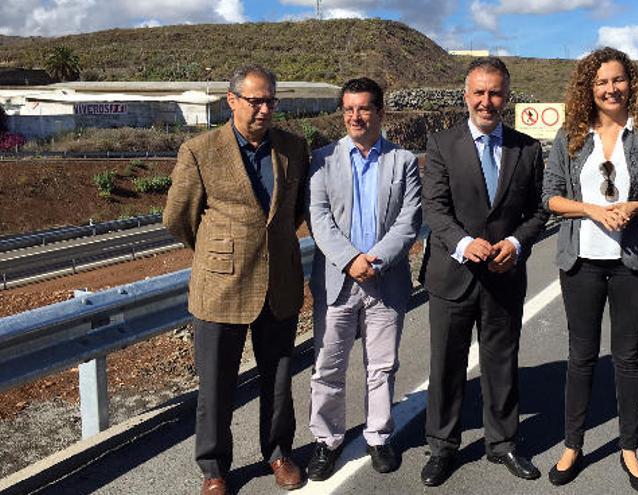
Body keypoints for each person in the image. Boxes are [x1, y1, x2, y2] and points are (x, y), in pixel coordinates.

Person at [163, 65, 309, 495]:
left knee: (279, 379)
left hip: (279, 282)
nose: (264, 109)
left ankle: (279, 453)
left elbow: (295, 211)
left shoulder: (293, 147)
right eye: (255, 101)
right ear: (231, 100)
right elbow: (177, 218)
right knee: (216, 384)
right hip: (220, 286)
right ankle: (214, 469)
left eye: (271, 101)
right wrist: (216, 251)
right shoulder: (200, 150)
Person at [541, 47, 638, 493]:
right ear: (589, 87)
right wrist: (590, 210)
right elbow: (551, 196)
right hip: (581, 262)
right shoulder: (571, 136)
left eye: (617, 80)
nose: (610, 88)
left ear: (630, 83)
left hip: (633, 262)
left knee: (628, 358)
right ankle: (573, 444)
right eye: (601, 82)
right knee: (581, 357)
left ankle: (629, 449)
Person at [419, 57, 548, 487]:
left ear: (506, 97)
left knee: (501, 364)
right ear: (466, 95)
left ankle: (504, 443)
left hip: (504, 276)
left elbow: (538, 212)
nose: (486, 101)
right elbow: (434, 208)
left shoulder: (527, 149)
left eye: (495, 92)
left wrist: (514, 244)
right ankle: (441, 446)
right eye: (479, 92)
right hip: (452, 275)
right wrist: (462, 243)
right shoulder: (440, 145)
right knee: (446, 366)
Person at [305, 77, 422, 480]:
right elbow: (317, 218)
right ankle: (327, 439)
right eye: (349, 109)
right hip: (338, 280)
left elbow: (410, 221)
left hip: (385, 280)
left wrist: (376, 260)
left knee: (382, 365)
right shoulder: (322, 159)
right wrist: (351, 259)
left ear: (380, 112)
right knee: (328, 366)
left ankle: (378, 435)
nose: (356, 116)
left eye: (364, 108)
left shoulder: (403, 161)